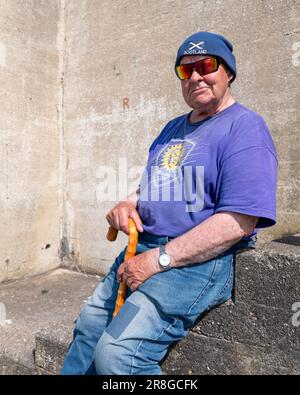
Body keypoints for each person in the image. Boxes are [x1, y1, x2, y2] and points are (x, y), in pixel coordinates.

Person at [61, 31, 277, 375]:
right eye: (185, 70)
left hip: (193, 264)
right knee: (89, 325)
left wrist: (159, 260)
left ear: (228, 72)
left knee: (118, 355)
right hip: (143, 246)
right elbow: (155, 186)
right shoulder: (172, 128)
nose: (195, 76)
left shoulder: (245, 128)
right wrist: (128, 203)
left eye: (206, 65)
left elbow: (238, 221)